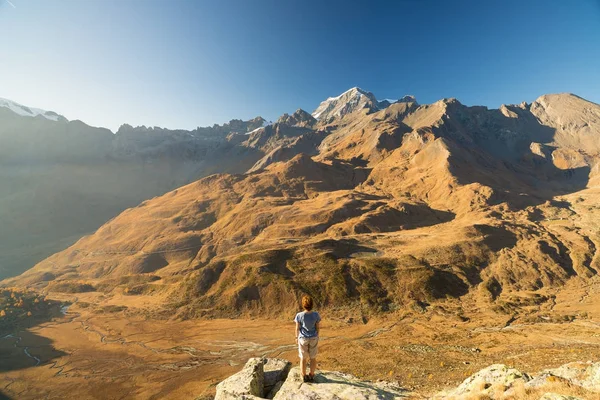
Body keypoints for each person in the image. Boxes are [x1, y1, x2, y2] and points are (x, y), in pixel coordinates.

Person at [294, 294, 321, 383]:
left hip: (303, 338)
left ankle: (303, 375)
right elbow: (317, 327)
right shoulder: (316, 314)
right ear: (312, 304)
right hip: (313, 338)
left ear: (303, 304)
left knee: (303, 358)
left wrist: (296, 337)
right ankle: (312, 375)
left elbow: (297, 328)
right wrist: (317, 335)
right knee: (313, 358)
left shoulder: (299, 315)